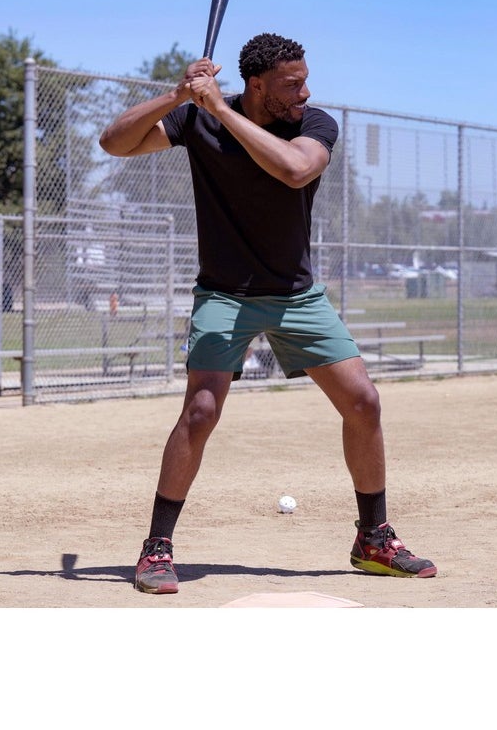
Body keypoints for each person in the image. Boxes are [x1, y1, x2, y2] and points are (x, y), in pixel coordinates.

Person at [99, 32, 437, 594]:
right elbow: (115, 142)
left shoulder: (314, 124)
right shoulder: (198, 118)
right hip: (224, 294)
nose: (306, 90)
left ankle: (373, 539)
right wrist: (178, 96)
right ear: (257, 86)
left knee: (364, 401)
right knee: (201, 411)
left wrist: (218, 112)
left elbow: (294, 170)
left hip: (295, 294)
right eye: (292, 83)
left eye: (304, 79)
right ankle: (156, 548)